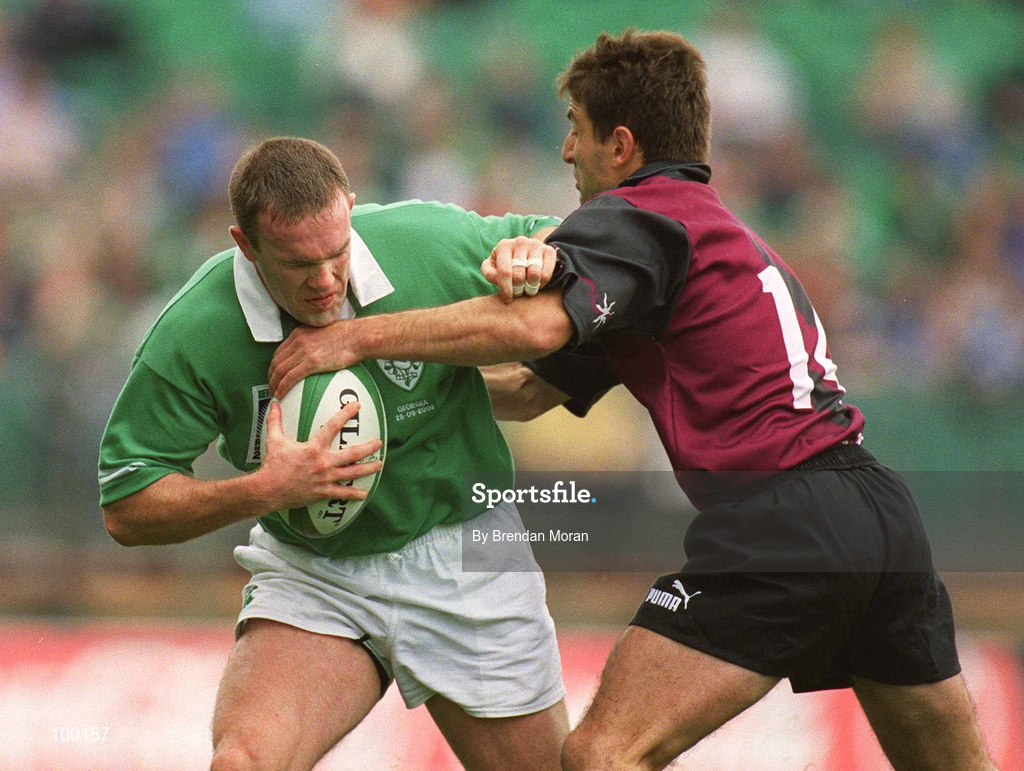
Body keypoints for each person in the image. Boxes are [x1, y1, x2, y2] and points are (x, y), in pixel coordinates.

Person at [265, 31, 998, 771]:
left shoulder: (637, 217)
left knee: (601, 755)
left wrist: (354, 342)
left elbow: (533, 323)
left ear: (619, 145)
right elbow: (526, 387)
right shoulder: (715, 236)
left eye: (573, 130)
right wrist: (387, 402)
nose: (564, 152)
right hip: (878, 510)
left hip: (783, 519)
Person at [97, 137, 570, 771]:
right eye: (297, 264)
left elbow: (568, 234)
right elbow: (126, 505)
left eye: (337, 252)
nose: (325, 281)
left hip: (469, 543)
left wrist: (533, 248)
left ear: (351, 209)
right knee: (243, 763)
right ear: (246, 244)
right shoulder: (193, 331)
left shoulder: (418, 239)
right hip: (315, 571)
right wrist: (266, 490)